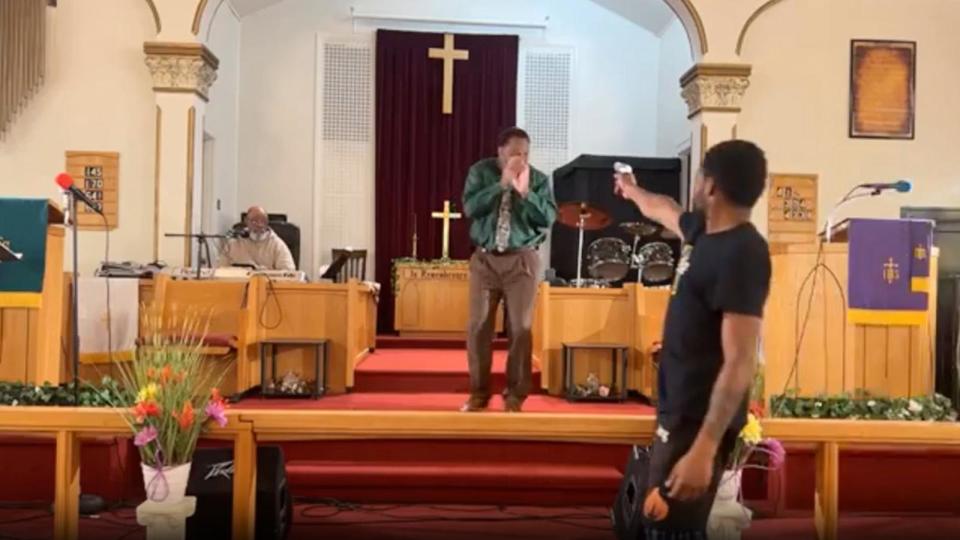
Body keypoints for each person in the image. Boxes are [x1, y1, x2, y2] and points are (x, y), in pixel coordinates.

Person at [614, 140, 771, 538]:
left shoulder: (743, 251)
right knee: (652, 528)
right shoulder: (704, 231)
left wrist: (704, 449)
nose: (695, 184)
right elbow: (664, 208)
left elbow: (739, 361)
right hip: (677, 412)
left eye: (699, 176)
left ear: (711, 186)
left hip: (696, 425)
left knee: (671, 530)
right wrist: (632, 190)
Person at [461, 127, 557, 413]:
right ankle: (478, 394)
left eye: (526, 153)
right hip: (485, 260)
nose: (521, 159)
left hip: (521, 261)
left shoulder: (538, 179)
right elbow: (471, 208)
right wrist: (502, 184)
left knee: (521, 328)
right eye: (516, 153)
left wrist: (526, 193)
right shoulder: (481, 172)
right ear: (501, 151)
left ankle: (516, 395)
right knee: (478, 326)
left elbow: (547, 217)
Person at [218, 206, 296, 271]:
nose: (259, 225)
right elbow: (220, 269)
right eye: (254, 221)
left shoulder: (277, 245)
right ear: (246, 221)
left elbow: (289, 271)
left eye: (263, 221)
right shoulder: (233, 243)